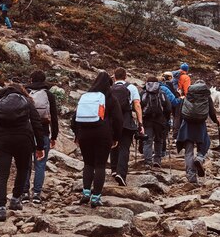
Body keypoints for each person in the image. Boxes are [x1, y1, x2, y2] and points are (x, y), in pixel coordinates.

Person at [0, 84, 45, 221]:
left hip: (1, 140)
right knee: (23, 169)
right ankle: (16, 199)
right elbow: (37, 124)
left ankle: (1, 208)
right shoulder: (27, 102)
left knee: (1, 174)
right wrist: (40, 147)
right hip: (24, 140)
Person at [71, 72, 123, 207]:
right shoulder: (111, 98)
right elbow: (118, 119)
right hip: (103, 135)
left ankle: (86, 192)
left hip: (84, 134)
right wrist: (116, 137)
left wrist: (77, 134)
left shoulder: (86, 96)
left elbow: (74, 118)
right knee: (100, 165)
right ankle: (96, 197)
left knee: (88, 164)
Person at [23, 70, 59, 204]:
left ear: (31, 79)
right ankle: (37, 194)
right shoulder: (49, 95)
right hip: (43, 133)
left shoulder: (24, 93)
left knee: (25, 164)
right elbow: (54, 117)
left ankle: (25, 192)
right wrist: (54, 136)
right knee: (40, 164)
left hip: (25, 133)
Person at [176, 81, 220, 184]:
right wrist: (216, 121)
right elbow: (212, 112)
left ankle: (191, 176)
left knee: (188, 152)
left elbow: (180, 113)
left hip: (187, 126)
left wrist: (176, 129)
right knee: (205, 143)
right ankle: (200, 158)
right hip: (200, 126)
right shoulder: (206, 97)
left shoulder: (187, 96)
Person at [109, 67, 144, 186]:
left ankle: (113, 169)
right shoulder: (131, 88)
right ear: (125, 77)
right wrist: (140, 124)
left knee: (113, 144)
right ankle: (121, 173)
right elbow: (137, 106)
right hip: (126, 121)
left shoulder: (109, 88)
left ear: (114, 76)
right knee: (124, 147)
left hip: (112, 122)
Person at [141, 77, 172, 168]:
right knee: (159, 140)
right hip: (160, 121)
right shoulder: (161, 93)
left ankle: (147, 161)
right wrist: (166, 119)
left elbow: (138, 106)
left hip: (147, 121)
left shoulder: (143, 93)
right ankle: (157, 160)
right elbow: (168, 108)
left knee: (148, 141)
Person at [159, 72, 181, 157]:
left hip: (150, 116)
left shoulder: (147, 88)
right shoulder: (166, 88)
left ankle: (149, 157)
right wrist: (180, 99)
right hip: (164, 115)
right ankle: (162, 153)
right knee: (163, 135)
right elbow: (174, 101)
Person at [172, 63, 191, 139]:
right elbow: (187, 90)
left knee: (175, 116)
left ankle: (174, 132)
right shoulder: (186, 77)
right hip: (181, 98)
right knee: (179, 116)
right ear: (187, 70)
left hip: (173, 97)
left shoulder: (174, 75)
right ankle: (178, 134)